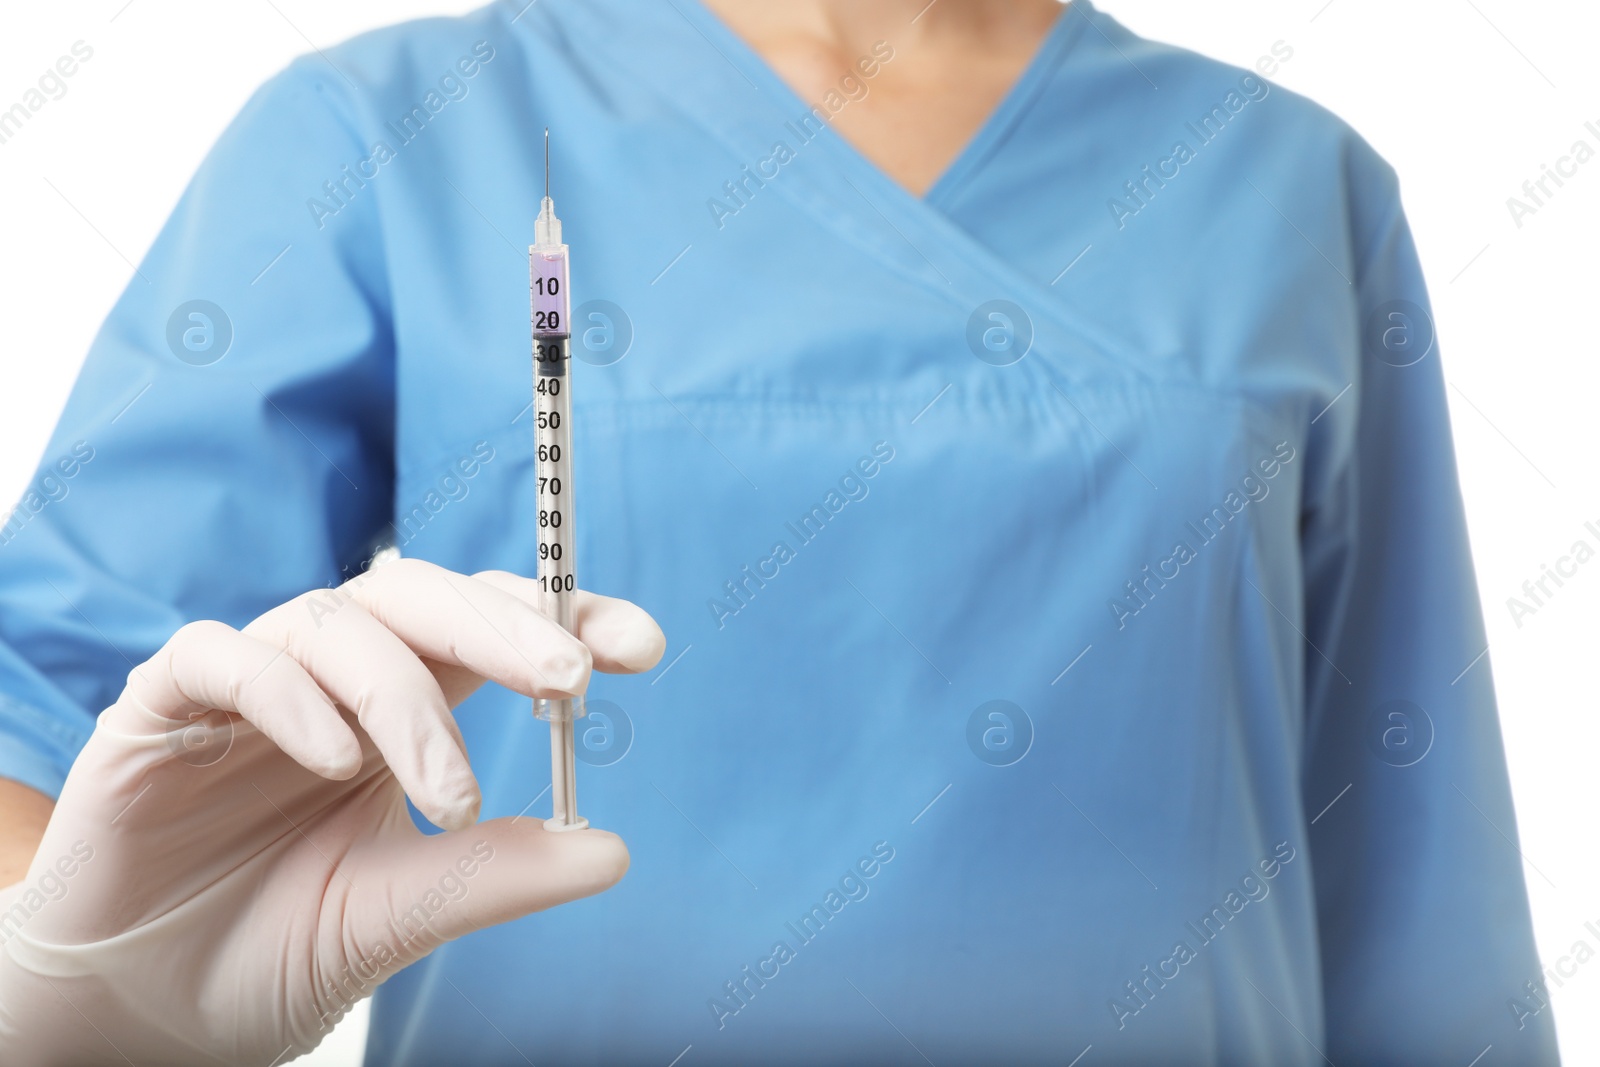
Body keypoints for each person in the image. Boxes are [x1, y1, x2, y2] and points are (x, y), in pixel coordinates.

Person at [0, 0, 1559, 1063]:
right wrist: (78, 1011)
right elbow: (46, 737)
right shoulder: (397, 130)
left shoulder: (1290, 186)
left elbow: (1415, 891)